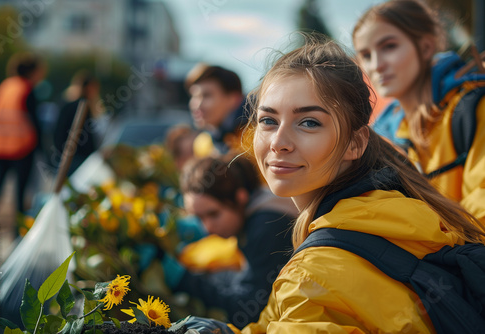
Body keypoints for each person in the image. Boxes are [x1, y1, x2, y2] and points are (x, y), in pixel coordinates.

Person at [184, 35, 485, 333]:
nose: (278, 142)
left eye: (309, 122)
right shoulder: (396, 205)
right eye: (268, 121)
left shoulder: (312, 274)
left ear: (355, 143)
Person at [352, 0, 485, 224]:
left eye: (389, 46)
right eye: (366, 55)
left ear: (425, 47)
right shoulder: (379, 139)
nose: (376, 65)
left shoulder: (472, 108)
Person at [161, 154, 297, 328]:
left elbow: (250, 309)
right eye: (199, 218)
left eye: (213, 214)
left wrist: (185, 280)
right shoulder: (261, 207)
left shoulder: (267, 228)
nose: (207, 228)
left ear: (240, 197)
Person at [0, 52, 46, 237]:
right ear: (32, 71)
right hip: (20, 148)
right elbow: (34, 122)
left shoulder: (6, 86)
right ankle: (18, 235)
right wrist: (42, 149)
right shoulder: (26, 89)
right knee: (20, 194)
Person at [185, 63, 247, 156]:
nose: (196, 105)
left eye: (206, 95)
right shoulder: (202, 143)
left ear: (233, 99)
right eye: (193, 96)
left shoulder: (255, 137)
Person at [53, 70, 103, 175]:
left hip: (66, 155)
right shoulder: (83, 107)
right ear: (89, 87)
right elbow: (87, 136)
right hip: (77, 157)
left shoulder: (66, 104)